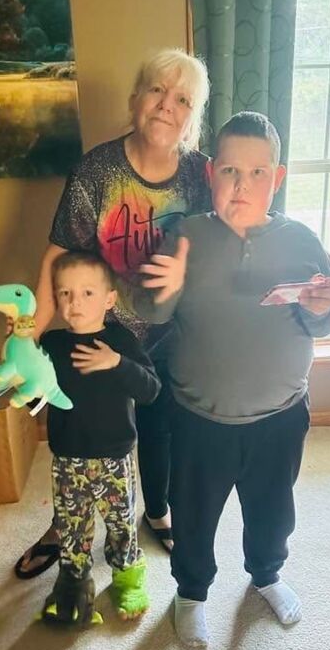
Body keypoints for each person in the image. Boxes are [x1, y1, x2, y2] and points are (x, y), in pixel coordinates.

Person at [137, 111, 330, 648]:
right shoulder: (185, 235)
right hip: (198, 418)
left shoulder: (300, 240)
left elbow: (323, 315)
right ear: (211, 173)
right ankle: (191, 593)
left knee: (273, 510)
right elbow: (153, 312)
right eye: (231, 170)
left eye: (258, 173)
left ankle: (267, 574)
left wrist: (328, 305)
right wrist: (164, 283)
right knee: (193, 516)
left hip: (280, 417)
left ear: (277, 179)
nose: (242, 185)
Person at [15, 48, 213, 577]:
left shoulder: (202, 177)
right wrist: (28, 337)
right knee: (80, 434)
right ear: (135, 99)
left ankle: (157, 510)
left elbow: (221, 245)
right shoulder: (97, 170)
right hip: (101, 329)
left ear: (193, 118)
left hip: (172, 334)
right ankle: (62, 526)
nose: (166, 105)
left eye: (183, 99)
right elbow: (58, 255)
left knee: (158, 427)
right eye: (157, 90)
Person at [38, 250, 161, 626]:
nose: (75, 302)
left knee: (121, 522)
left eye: (87, 293)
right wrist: (23, 376)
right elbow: (34, 397)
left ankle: (128, 576)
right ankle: (73, 581)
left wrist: (116, 363)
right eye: (65, 293)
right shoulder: (52, 344)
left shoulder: (120, 340)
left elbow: (151, 390)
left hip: (114, 457)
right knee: (71, 524)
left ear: (109, 299)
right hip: (68, 458)